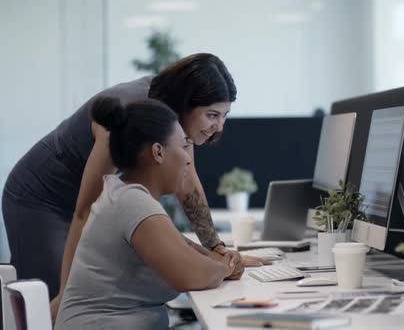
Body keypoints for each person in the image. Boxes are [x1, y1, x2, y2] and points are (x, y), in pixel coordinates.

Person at [1, 53, 265, 321]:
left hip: (88, 201)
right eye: (212, 115)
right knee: (56, 301)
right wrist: (68, 292)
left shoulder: (171, 123)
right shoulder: (129, 114)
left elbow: (187, 180)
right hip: (41, 194)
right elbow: (85, 210)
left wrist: (216, 248)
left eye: (224, 115)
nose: (218, 127)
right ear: (186, 105)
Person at [54, 97, 237, 329]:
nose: (188, 160)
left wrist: (220, 261)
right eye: (183, 146)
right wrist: (226, 267)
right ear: (158, 152)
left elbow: (193, 255)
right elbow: (192, 274)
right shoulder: (132, 202)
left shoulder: (126, 195)